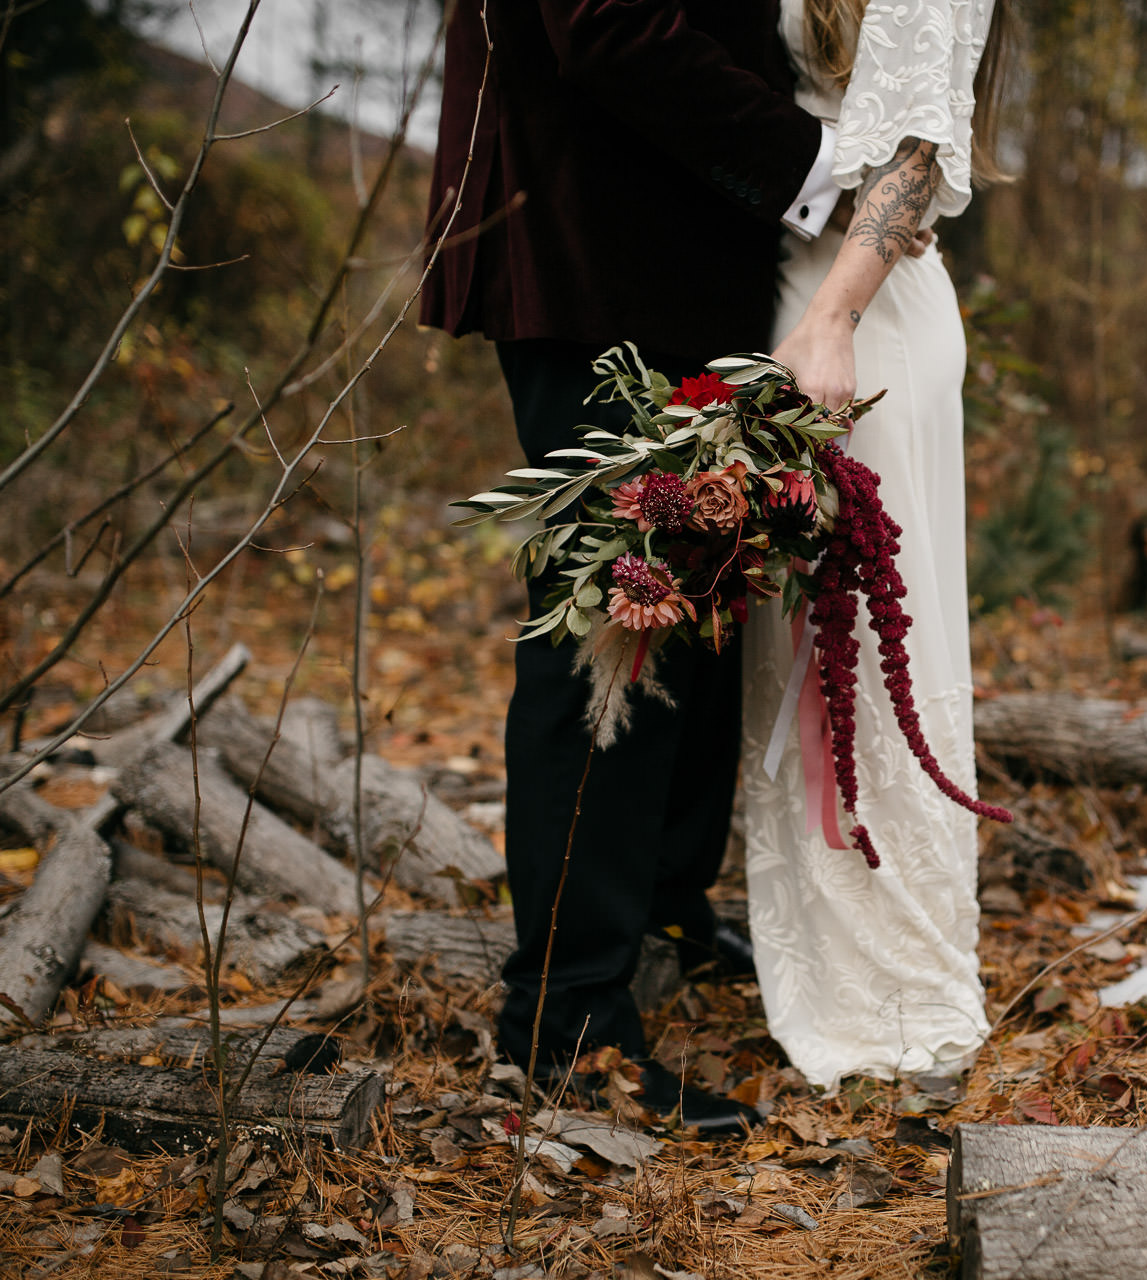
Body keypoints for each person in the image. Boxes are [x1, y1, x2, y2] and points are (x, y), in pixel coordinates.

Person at [420, 0, 849, 1132]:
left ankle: (660, 906)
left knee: (704, 587)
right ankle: (567, 1017)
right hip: (597, 250)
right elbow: (607, 24)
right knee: (614, 613)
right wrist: (816, 158)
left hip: (681, 260)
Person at [744, 0, 1005, 1087]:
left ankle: (894, 976)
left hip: (863, 302)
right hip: (786, 286)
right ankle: (809, 939)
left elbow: (916, 143)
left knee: (872, 629)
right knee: (793, 645)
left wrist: (836, 319)